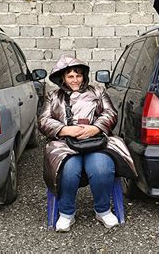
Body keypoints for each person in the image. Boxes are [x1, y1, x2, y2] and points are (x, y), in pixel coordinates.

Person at [38, 55, 137, 232]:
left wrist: (95, 128)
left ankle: (102, 209)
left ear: (84, 76)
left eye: (78, 75)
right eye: (70, 76)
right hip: (65, 145)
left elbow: (110, 113)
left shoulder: (98, 91)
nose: (75, 80)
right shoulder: (53, 96)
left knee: (101, 168)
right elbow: (43, 120)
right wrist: (65, 130)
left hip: (96, 142)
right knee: (68, 170)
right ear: (63, 78)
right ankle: (67, 213)